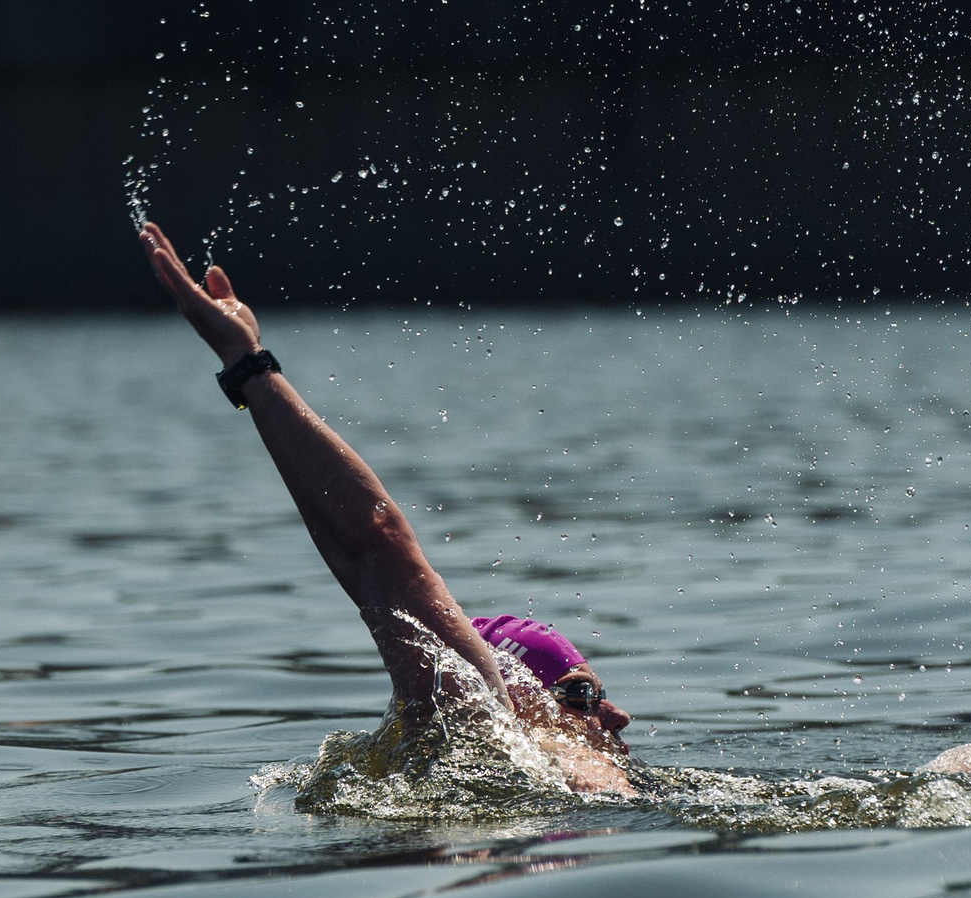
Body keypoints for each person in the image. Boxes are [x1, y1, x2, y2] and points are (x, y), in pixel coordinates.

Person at [138, 222, 635, 794]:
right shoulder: (490, 731)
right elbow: (378, 547)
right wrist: (247, 362)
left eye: (594, 692)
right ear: (510, 690)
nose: (617, 715)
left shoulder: (564, 776)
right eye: (578, 694)